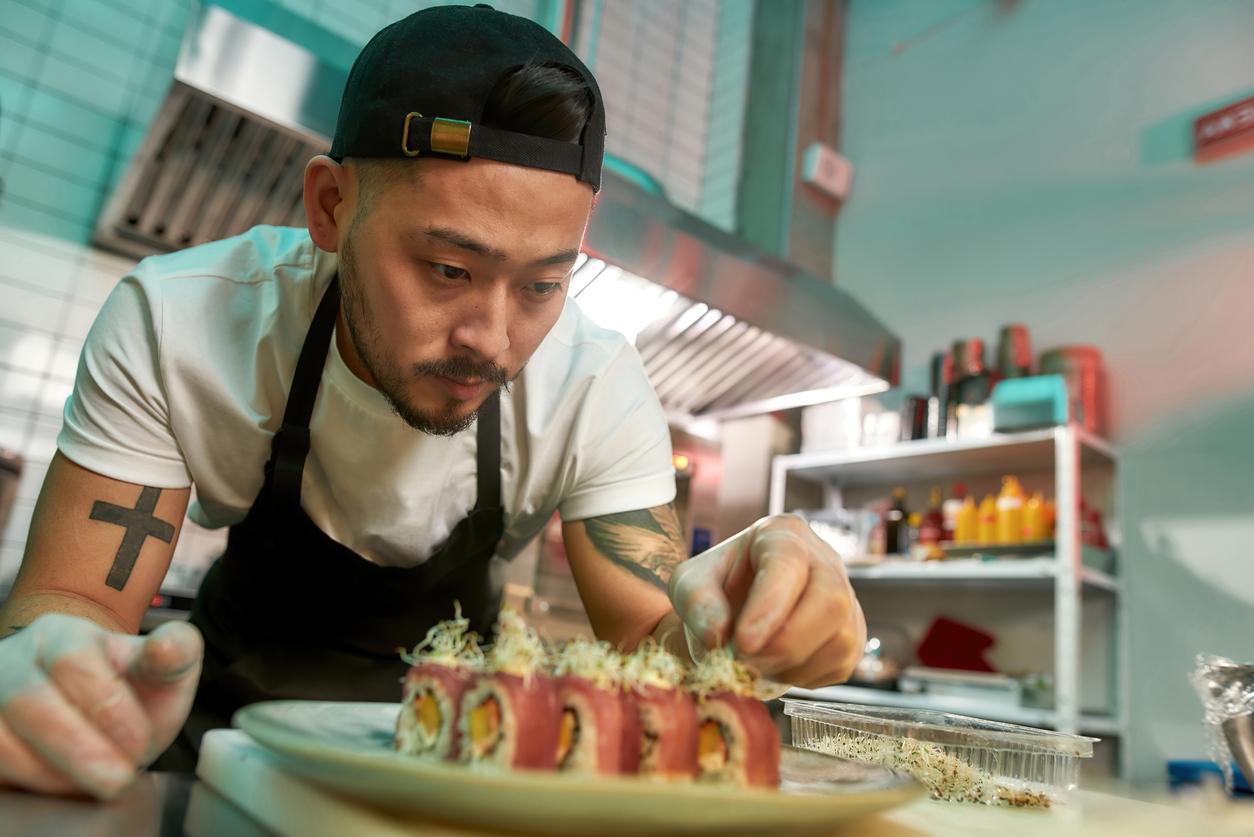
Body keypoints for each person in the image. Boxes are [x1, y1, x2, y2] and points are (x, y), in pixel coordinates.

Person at [0, 4, 865, 799]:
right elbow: (75, 604)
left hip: (460, 763)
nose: (492, 339)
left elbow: (651, 648)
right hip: (218, 749)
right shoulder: (179, 322)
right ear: (332, 207)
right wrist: (50, 670)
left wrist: (745, 624)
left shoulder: (595, 383)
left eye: (541, 284)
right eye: (450, 270)